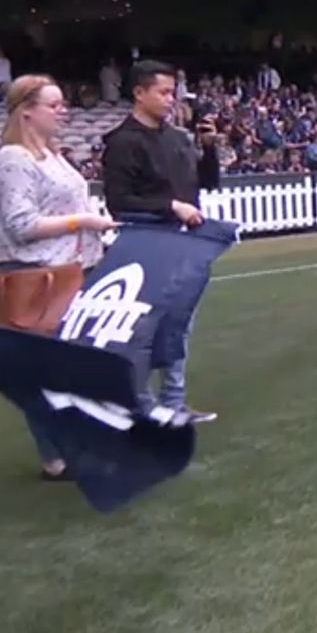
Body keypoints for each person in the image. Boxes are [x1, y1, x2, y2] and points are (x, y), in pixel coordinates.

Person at [0, 73, 118, 480]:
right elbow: (22, 224)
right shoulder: (14, 158)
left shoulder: (52, 155)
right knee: (46, 374)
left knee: (74, 368)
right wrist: (84, 221)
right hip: (37, 277)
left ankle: (72, 448)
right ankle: (57, 456)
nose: (64, 111)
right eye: (54, 104)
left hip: (72, 271)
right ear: (27, 111)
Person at [100, 59, 215, 420]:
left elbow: (205, 184)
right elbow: (119, 201)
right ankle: (141, 402)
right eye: (163, 92)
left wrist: (209, 149)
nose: (170, 99)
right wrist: (171, 206)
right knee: (144, 328)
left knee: (179, 326)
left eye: (172, 92)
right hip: (146, 244)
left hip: (182, 244)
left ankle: (173, 400)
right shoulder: (123, 143)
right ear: (139, 93)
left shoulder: (177, 138)